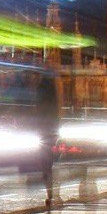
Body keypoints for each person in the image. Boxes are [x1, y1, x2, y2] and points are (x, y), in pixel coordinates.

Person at [32, 68, 61, 206]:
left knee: (46, 165)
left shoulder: (41, 91)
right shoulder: (50, 91)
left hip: (45, 131)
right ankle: (51, 193)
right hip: (49, 131)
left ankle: (50, 193)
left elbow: (39, 111)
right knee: (48, 164)